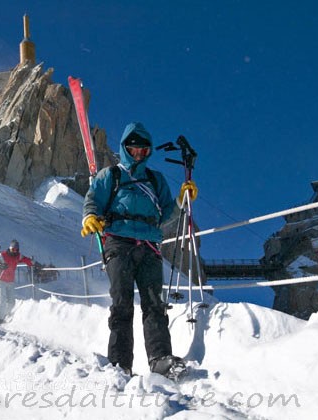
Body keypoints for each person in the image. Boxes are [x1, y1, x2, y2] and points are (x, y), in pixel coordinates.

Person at [81, 121, 198, 379]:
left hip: (148, 246)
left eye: (144, 150)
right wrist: (90, 217)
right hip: (118, 242)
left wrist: (182, 199)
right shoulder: (111, 175)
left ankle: (159, 359)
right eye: (134, 149)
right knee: (122, 303)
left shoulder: (155, 180)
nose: (139, 154)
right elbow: (93, 200)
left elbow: (167, 213)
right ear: (125, 148)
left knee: (155, 305)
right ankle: (120, 363)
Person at [0, 239, 33, 324]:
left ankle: (6, 316)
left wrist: (33, 264)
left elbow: (26, 259)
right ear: (9, 248)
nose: (13, 251)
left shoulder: (18, 256)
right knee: (2, 300)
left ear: (17, 250)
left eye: (15, 250)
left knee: (11, 302)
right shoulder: (2, 255)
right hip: (1, 280)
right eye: (12, 249)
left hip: (10, 281)